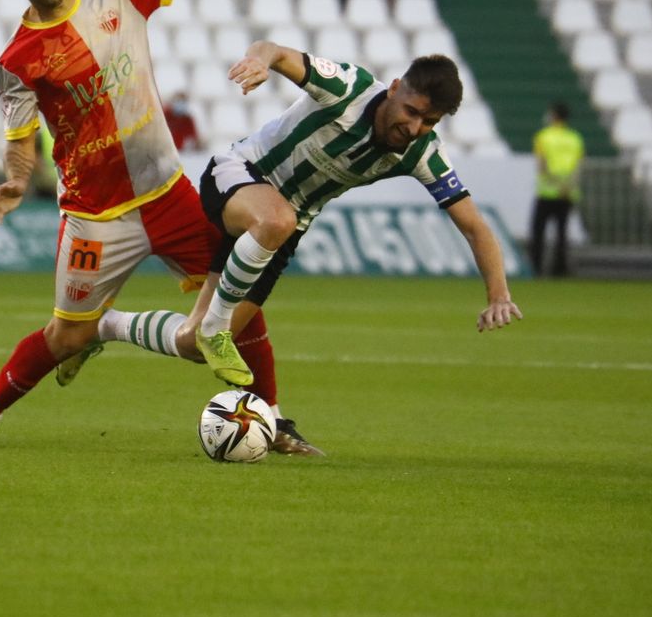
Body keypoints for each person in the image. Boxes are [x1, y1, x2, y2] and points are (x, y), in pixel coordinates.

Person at [0, 0, 299, 454]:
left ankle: (277, 425)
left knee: (240, 293)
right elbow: (19, 144)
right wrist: (15, 181)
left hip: (167, 192)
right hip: (95, 216)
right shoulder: (18, 61)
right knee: (67, 335)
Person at [89, 43, 524, 455]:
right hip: (238, 175)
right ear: (394, 89)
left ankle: (104, 326)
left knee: (191, 344)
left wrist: (498, 294)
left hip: (280, 234)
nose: (414, 128)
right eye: (411, 112)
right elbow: (274, 50)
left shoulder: (421, 153)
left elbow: (474, 225)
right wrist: (259, 62)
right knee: (275, 220)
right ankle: (220, 337)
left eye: (429, 122)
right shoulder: (347, 88)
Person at [530, 102, 583, 278]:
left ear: (553, 115)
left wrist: (555, 183)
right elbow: (578, 167)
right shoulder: (575, 138)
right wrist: (566, 186)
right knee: (562, 233)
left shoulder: (543, 137)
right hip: (567, 192)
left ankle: (536, 268)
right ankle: (559, 270)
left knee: (538, 232)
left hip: (547, 191)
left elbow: (542, 165)